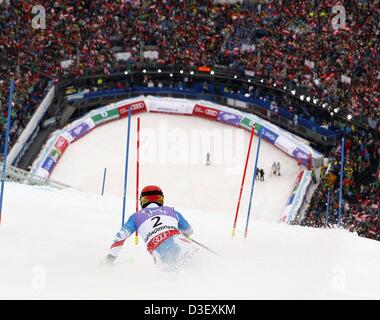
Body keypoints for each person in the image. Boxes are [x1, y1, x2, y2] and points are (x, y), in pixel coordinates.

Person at [103, 185, 196, 271]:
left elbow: (120, 236)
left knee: (178, 280)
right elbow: (189, 230)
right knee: (197, 270)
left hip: (162, 255)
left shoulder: (136, 217)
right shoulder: (171, 211)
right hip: (184, 246)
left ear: (142, 201)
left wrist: (111, 256)